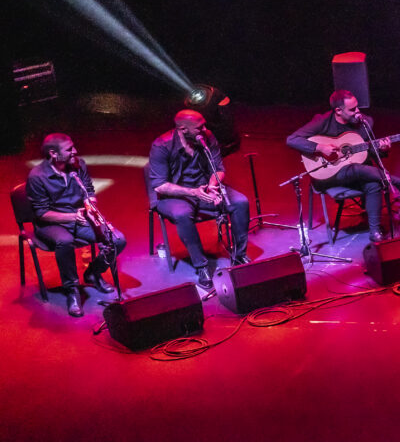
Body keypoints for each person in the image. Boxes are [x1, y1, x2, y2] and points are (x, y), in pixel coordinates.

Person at [288, 90, 400, 242]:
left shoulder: (364, 123)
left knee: (373, 183)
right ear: (338, 111)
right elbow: (292, 139)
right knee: (357, 169)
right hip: (329, 174)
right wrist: (320, 147)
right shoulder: (323, 121)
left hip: (359, 173)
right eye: (352, 109)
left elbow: (366, 153)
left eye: (357, 107)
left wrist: (383, 150)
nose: (357, 112)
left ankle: (375, 232)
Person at [146, 110, 251, 289]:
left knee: (240, 202)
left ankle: (239, 255)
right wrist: (193, 192)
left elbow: (219, 168)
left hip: (204, 188)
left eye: (204, 125)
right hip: (174, 194)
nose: (204, 129)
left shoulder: (207, 137)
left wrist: (212, 186)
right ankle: (201, 266)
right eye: (199, 127)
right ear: (182, 129)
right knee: (182, 214)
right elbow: (159, 185)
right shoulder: (161, 145)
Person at [27, 133, 127, 316]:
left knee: (117, 239)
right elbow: (42, 214)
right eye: (69, 149)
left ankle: (93, 273)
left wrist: (90, 206)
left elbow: (88, 190)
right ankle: (72, 289)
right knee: (64, 241)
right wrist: (73, 216)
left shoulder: (78, 164)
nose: (75, 151)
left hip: (80, 218)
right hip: (51, 224)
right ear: (53, 153)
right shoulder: (37, 176)